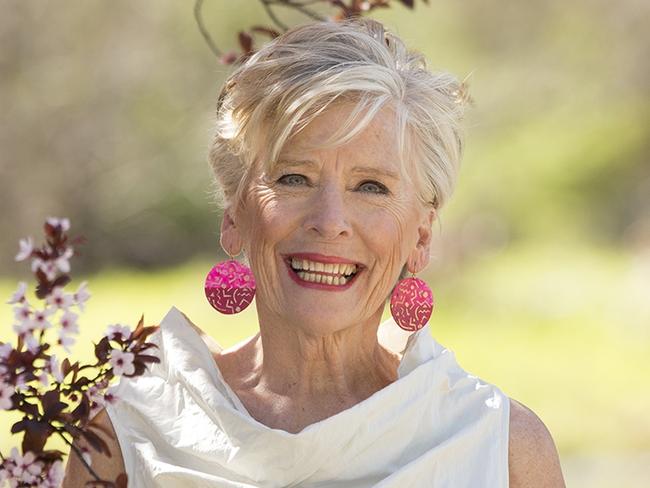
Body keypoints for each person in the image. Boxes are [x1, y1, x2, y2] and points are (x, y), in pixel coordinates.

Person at [62, 18, 565, 487]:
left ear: (422, 235)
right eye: (293, 178)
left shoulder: (502, 447)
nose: (329, 222)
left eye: (371, 187)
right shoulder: (125, 426)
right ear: (234, 215)